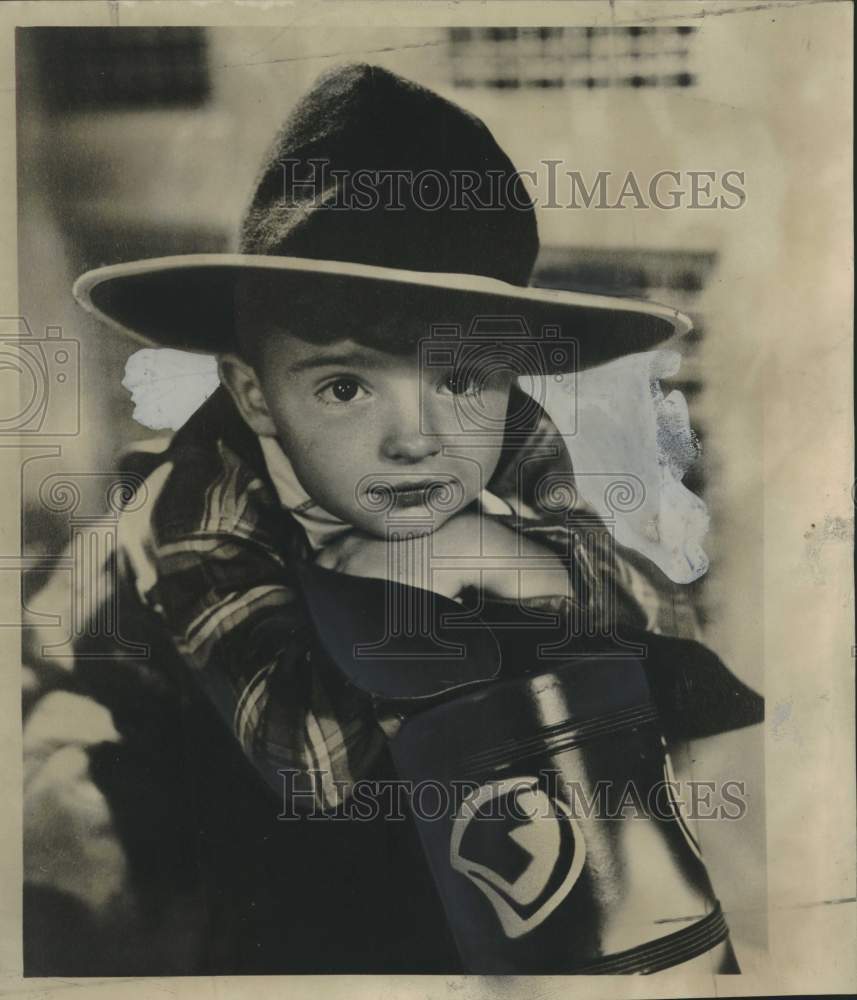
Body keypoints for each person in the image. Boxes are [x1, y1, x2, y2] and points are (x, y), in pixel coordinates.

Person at [23, 63, 760, 974]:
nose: (418, 440)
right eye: (344, 385)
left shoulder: (509, 429)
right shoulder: (193, 504)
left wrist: (537, 569)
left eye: (459, 379)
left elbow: (645, 613)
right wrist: (427, 563)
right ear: (254, 393)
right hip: (140, 718)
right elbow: (313, 764)